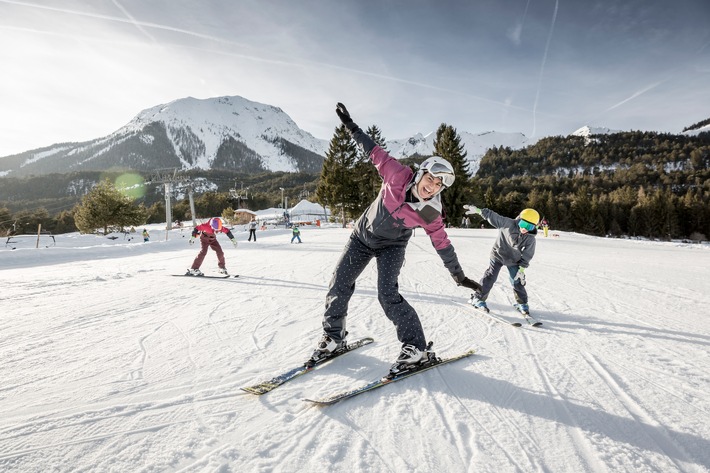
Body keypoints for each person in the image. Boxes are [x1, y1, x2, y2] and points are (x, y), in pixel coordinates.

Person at [310, 103, 481, 374]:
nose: (433, 186)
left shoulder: (431, 211)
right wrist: (351, 126)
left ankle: (416, 348)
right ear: (422, 172)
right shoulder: (397, 174)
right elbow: (373, 150)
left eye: (440, 184)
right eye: (432, 178)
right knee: (339, 284)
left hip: (392, 246)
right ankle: (333, 338)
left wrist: (458, 276)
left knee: (387, 294)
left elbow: (442, 243)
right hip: (362, 238)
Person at [463, 205, 539, 317]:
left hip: (513, 260)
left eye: (530, 226)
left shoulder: (530, 238)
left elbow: (528, 254)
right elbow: (492, 215)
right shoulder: (507, 223)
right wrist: (479, 211)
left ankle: (523, 304)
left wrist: (521, 270)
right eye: (523, 224)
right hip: (498, 255)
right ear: (519, 220)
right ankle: (478, 298)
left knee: (516, 280)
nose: (525, 228)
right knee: (490, 276)